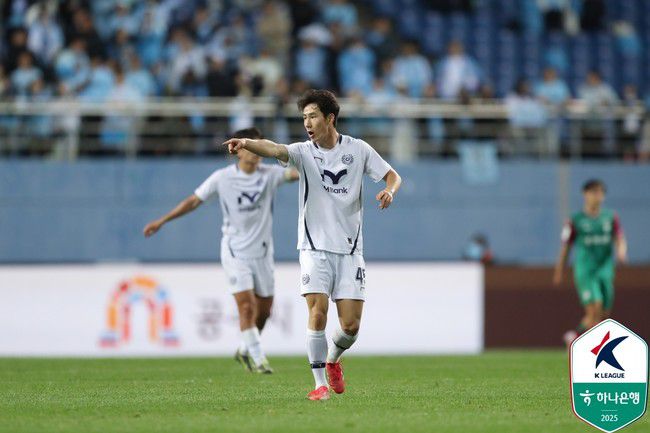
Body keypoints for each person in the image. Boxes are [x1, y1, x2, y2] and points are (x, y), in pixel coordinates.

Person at [224, 89, 402, 401]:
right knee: (318, 312)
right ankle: (319, 384)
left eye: (313, 116)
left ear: (329, 118)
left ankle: (333, 359)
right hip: (313, 248)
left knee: (350, 327)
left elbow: (393, 176)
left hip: (350, 251)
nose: (307, 123)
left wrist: (389, 191)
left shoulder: (358, 149)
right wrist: (247, 143)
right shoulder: (303, 152)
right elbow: (274, 148)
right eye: (304, 117)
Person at [144, 127, 299, 373]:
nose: (256, 152)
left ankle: (244, 348)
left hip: (263, 253)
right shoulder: (222, 178)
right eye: (251, 146)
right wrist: (162, 221)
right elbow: (193, 201)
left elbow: (298, 173)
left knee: (264, 311)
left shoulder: (271, 175)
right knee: (246, 306)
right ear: (238, 151)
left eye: (259, 146)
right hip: (235, 251)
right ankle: (259, 360)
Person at [553, 179, 627, 346]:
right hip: (586, 269)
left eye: (600, 192)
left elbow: (619, 238)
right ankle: (592, 349)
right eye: (593, 192)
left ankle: (574, 336)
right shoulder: (575, 220)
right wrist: (559, 271)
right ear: (584, 194)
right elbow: (565, 247)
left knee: (603, 314)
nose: (597, 196)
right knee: (595, 307)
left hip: (605, 270)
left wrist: (621, 251)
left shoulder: (610, 217)